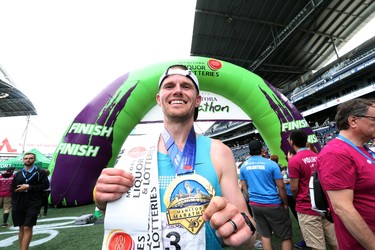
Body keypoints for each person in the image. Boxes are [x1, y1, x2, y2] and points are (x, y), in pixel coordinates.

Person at [94, 64, 256, 249]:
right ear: (159, 99)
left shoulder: (220, 151)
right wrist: (104, 204)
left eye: (186, 86)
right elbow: (120, 221)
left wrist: (241, 231)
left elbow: (249, 236)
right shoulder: (135, 154)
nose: (177, 91)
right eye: (169, 86)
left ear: (198, 100)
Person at [317, 98, 375, 249]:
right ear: (353, 121)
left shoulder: (362, 149)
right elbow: (343, 208)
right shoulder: (336, 153)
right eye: (374, 118)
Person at [288, 129, 338, 250]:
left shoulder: (294, 161)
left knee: (316, 246)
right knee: (335, 242)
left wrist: (298, 198)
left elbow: (294, 188)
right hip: (324, 205)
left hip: (306, 207)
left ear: (292, 142)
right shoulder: (317, 156)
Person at [240, 140, 293, 250]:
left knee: (265, 235)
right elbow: (281, 186)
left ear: (249, 152)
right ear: (262, 150)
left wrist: (251, 200)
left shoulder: (244, 167)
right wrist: (285, 203)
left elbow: (244, 187)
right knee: (285, 236)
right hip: (272, 203)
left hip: (255, 204)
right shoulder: (271, 164)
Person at [12, 152, 49, 250]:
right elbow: (13, 189)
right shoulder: (18, 174)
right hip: (19, 203)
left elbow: (45, 186)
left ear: (34, 160)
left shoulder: (40, 172)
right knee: (21, 228)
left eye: (31, 158)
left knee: (27, 227)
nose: (28, 160)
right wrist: (14, 202)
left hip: (33, 202)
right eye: (26, 158)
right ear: (23, 160)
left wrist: (28, 187)